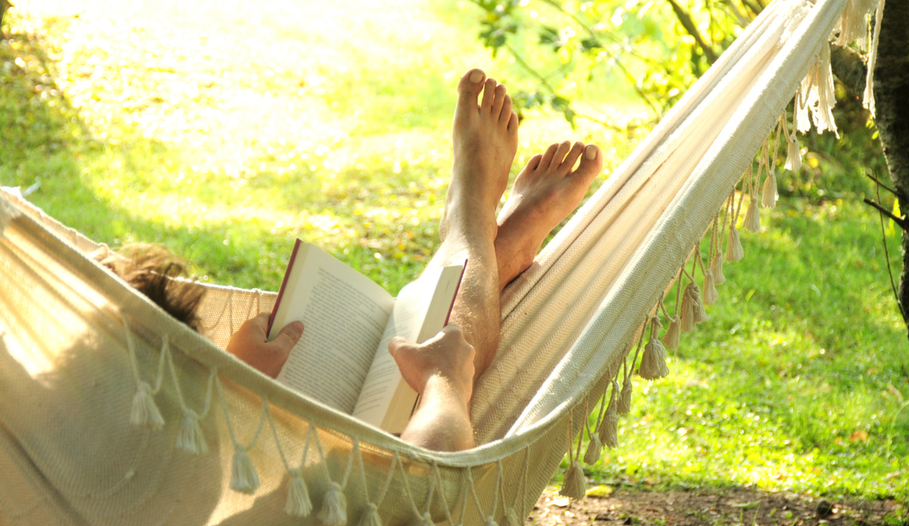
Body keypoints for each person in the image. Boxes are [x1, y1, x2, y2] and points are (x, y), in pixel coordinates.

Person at [105, 69, 603, 452]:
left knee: (435, 322)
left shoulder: (104, 450)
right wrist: (444, 383)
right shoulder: (156, 473)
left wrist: (237, 381)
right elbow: (425, 472)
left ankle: (489, 251)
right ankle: (471, 223)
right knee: (443, 347)